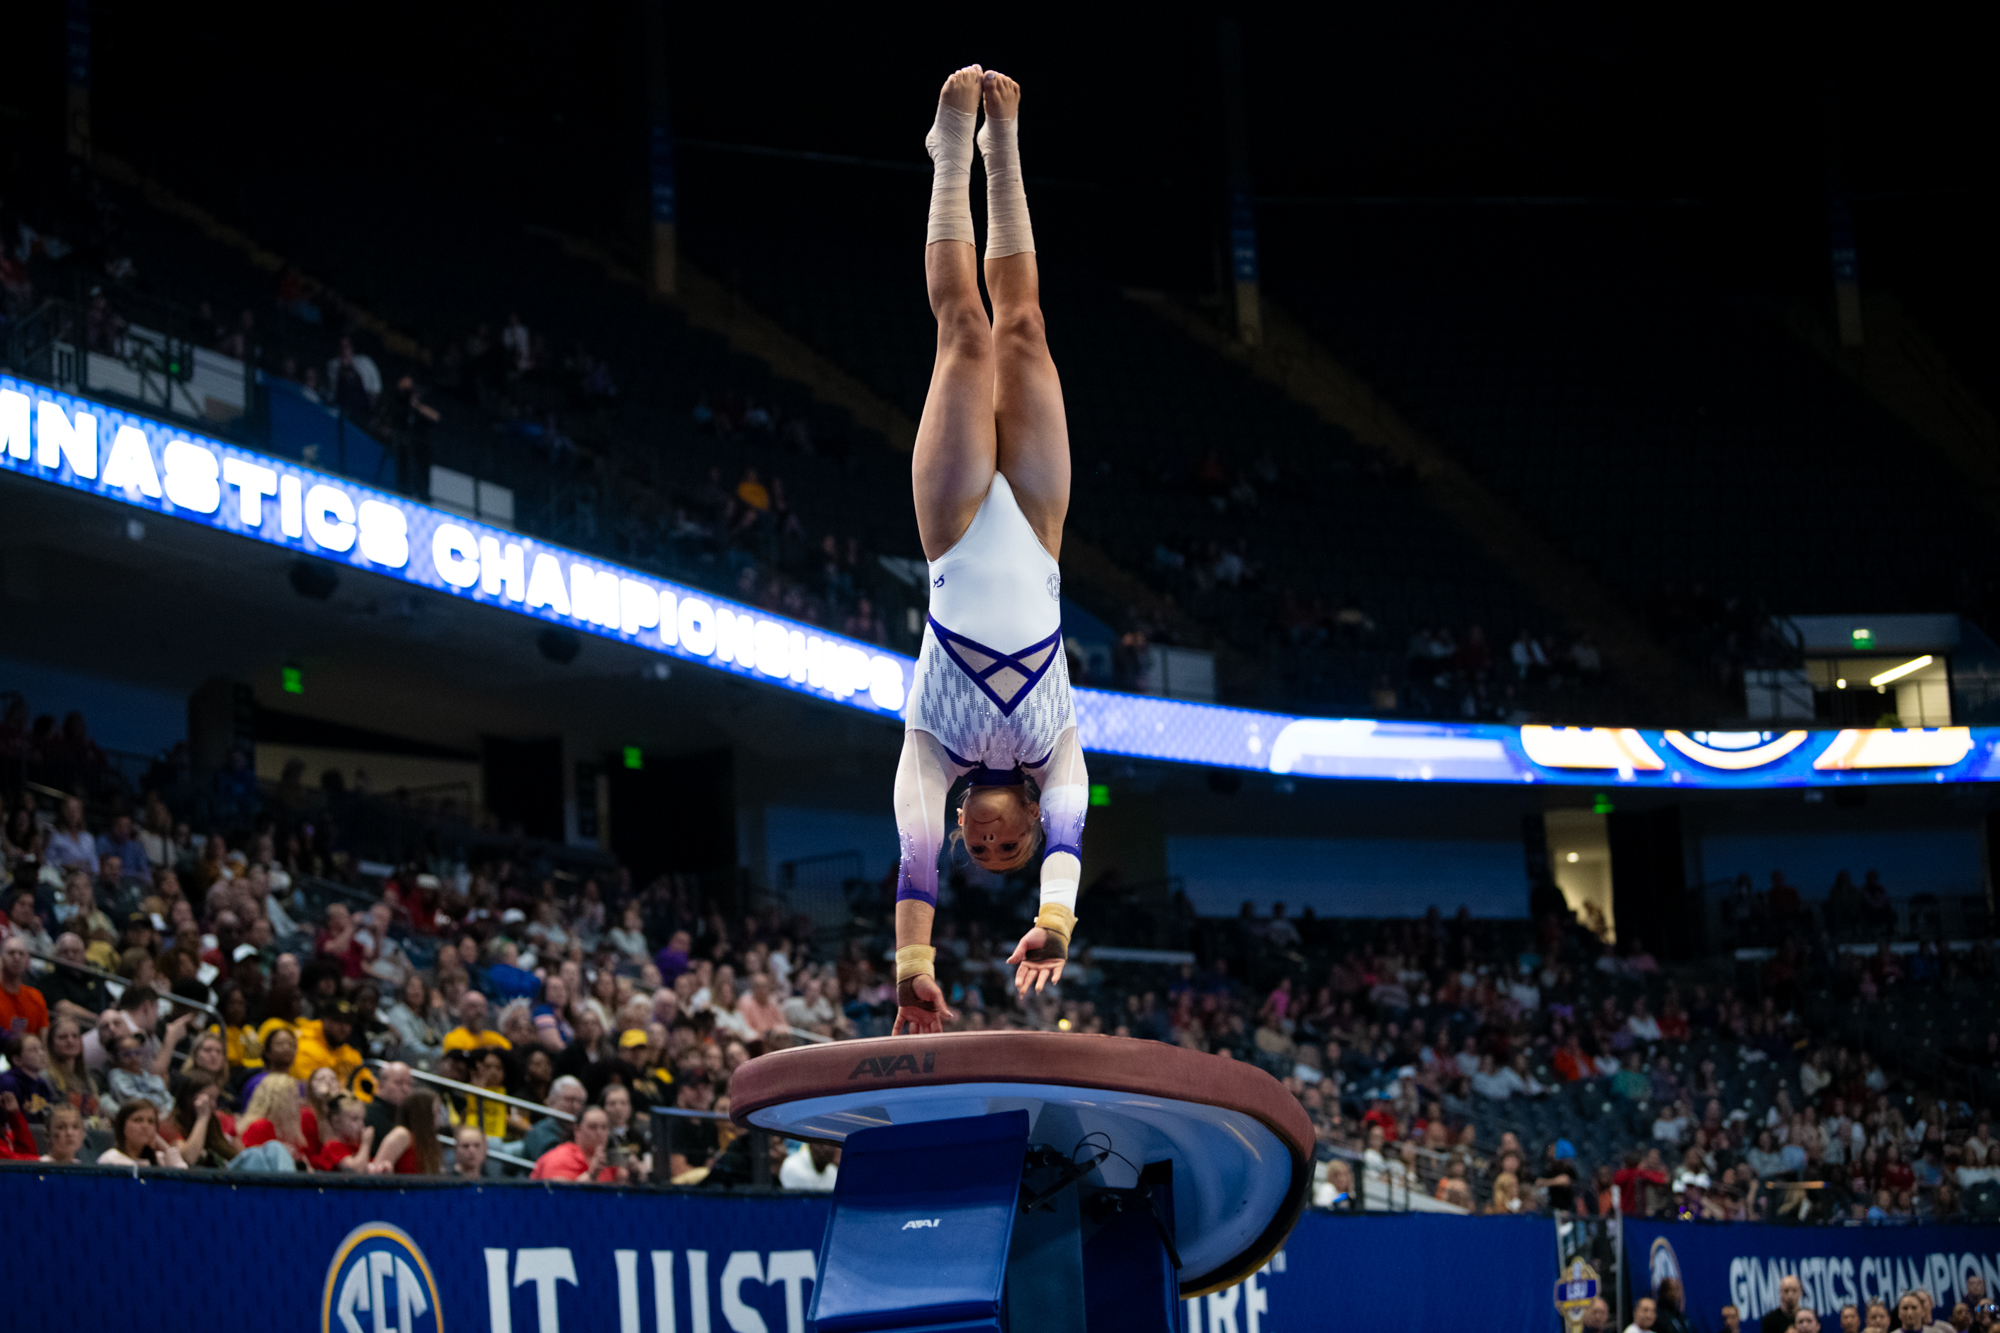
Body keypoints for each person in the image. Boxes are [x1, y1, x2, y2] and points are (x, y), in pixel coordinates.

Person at [892, 66, 1088, 1035]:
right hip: (1041, 528)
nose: (986, 842)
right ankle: (999, 153)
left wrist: (913, 962)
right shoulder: (1058, 756)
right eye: (1006, 850)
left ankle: (944, 154)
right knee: (1025, 326)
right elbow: (1073, 836)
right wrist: (1052, 917)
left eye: (983, 850)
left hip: (958, 529)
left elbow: (912, 853)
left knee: (964, 334)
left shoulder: (929, 750)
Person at [529, 1105, 625, 1183]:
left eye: (604, 1127)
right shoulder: (560, 1157)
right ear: (577, 1130)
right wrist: (592, 1176)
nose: (600, 1133)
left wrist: (635, 1175)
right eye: (593, 1127)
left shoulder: (612, 1163)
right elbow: (558, 1197)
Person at [97, 1097, 188, 1168]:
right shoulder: (111, 1159)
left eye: (151, 1121)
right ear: (123, 1126)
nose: (145, 1126)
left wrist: (161, 1143)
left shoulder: (160, 1159)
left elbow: (184, 1179)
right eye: (138, 1120)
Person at [521, 1075, 588, 1163]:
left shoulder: (581, 1130)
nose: (576, 1106)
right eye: (570, 1099)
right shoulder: (540, 1131)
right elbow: (550, 1165)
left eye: (580, 1101)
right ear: (552, 1101)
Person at [0, 933, 48, 1042]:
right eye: (11, 953)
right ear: (1, 958)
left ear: (27, 961)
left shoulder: (36, 997)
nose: (16, 957)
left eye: (21, 954)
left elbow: (43, 1042)